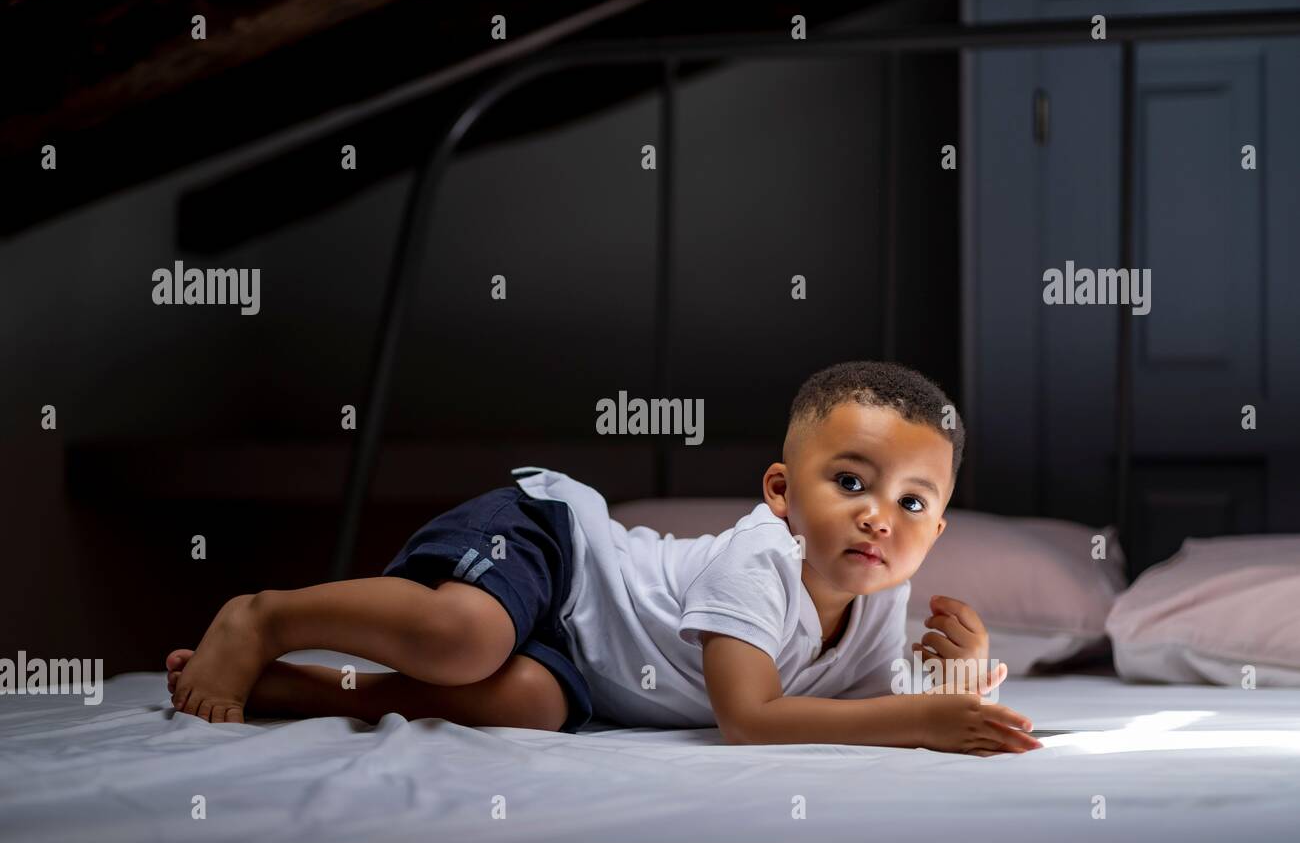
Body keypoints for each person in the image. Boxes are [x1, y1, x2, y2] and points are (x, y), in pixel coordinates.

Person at [166, 360, 1041, 755]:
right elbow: (751, 720)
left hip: (582, 657)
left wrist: (953, 681)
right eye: (850, 480)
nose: (878, 517)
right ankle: (267, 615)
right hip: (558, 551)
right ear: (781, 492)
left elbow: (871, 698)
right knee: (463, 638)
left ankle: (296, 687)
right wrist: (920, 724)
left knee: (528, 707)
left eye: (913, 503)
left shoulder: (885, 604)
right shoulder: (759, 564)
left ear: (935, 533)